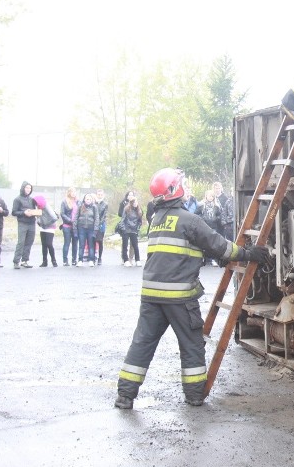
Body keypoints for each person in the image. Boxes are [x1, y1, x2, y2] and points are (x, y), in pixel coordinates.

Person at [114, 168, 269, 409]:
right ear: (175, 190)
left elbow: (182, 248)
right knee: (191, 344)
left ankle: (125, 395)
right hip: (179, 297)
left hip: (151, 295)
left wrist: (206, 253)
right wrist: (249, 254)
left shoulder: (157, 219)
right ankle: (195, 394)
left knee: (142, 343)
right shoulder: (190, 220)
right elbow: (220, 246)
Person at [12, 181, 41, 269]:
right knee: (21, 242)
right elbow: (14, 212)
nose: (28, 189)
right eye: (26, 188)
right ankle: (16, 261)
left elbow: (37, 208)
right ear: (23, 188)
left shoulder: (32, 199)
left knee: (29, 242)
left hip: (32, 223)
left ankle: (25, 261)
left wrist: (36, 212)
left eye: (30, 188)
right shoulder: (17, 199)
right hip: (22, 223)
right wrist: (24, 212)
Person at [195, 189, 222, 266]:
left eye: (212, 196)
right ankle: (203, 258)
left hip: (213, 226)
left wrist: (216, 219)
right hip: (204, 226)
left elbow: (220, 215)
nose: (211, 198)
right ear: (206, 196)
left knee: (212, 243)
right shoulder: (201, 205)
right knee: (203, 242)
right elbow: (196, 214)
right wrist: (202, 219)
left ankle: (212, 259)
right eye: (210, 196)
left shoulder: (216, 206)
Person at [34, 194, 59, 267]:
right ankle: (44, 261)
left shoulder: (46, 206)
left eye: (36, 203)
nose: (35, 204)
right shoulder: (39, 207)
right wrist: (38, 222)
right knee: (44, 245)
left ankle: (54, 260)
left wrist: (46, 224)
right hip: (43, 227)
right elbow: (38, 217)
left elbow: (54, 217)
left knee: (49, 243)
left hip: (50, 227)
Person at [75, 193, 99, 266]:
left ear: (92, 200)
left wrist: (95, 230)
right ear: (84, 199)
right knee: (81, 245)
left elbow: (97, 218)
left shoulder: (94, 207)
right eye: (87, 199)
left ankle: (91, 260)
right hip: (81, 228)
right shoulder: (80, 207)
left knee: (91, 245)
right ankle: (80, 260)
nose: (88, 200)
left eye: (90, 199)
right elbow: (76, 217)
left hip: (91, 228)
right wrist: (75, 228)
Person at [119, 196, 143, 267]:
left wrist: (137, 228)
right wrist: (123, 229)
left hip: (134, 230)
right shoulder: (126, 209)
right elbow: (122, 220)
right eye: (134, 202)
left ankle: (137, 260)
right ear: (131, 203)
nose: (136, 203)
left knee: (135, 245)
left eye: (136, 202)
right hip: (126, 229)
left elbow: (140, 221)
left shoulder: (139, 210)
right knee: (125, 245)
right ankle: (126, 260)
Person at [59, 187, 79, 266]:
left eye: (75, 192)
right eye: (72, 192)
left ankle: (74, 260)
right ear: (69, 193)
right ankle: (65, 260)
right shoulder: (64, 202)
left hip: (76, 226)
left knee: (75, 243)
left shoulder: (78, 202)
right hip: (67, 225)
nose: (74, 193)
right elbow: (62, 213)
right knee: (67, 243)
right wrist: (70, 220)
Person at [94, 189, 109, 265]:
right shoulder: (93, 203)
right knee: (93, 240)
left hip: (101, 224)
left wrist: (99, 223)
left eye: (101, 194)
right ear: (96, 195)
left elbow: (104, 215)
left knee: (100, 241)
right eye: (98, 194)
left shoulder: (105, 204)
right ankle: (93, 256)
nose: (99, 196)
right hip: (93, 224)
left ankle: (100, 257)